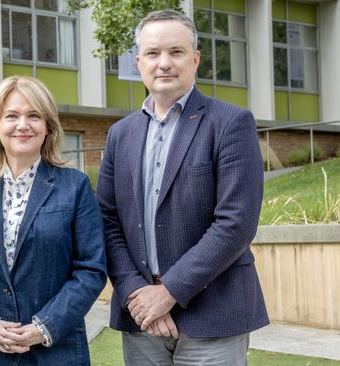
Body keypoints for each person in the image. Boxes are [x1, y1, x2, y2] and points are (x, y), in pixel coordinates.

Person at [96, 9, 269, 365]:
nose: (164, 64)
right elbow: (108, 221)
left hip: (213, 313)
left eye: (175, 52)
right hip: (141, 316)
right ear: (138, 61)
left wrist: (170, 292)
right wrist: (136, 295)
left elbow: (235, 223)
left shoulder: (231, 123)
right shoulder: (120, 135)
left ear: (195, 59)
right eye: (153, 54)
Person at [0, 76, 107, 365]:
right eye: (12, 116)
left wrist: (44, 327)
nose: (22, 125)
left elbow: (91, 269)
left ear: (48, 127)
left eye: (34, 116)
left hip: (54, 350)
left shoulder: (75, 186)